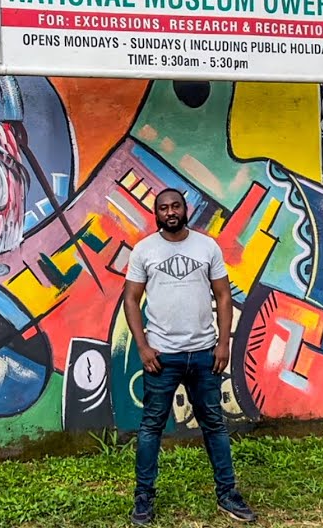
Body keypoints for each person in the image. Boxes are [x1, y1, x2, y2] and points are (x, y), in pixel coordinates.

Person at [122, 187, 256, 524]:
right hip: (162, 357)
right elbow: (130, 300)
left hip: (203, 354)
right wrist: (143, 346)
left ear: (185, 209)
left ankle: (227, 494)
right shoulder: (144, 251)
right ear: (157, 214)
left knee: (214, 424)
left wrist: (223, 343)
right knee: (152, 427)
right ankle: (143, 498)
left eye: (175, 206)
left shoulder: (206, 246)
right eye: (163, 208)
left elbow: (223, 295)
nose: (170, 212)